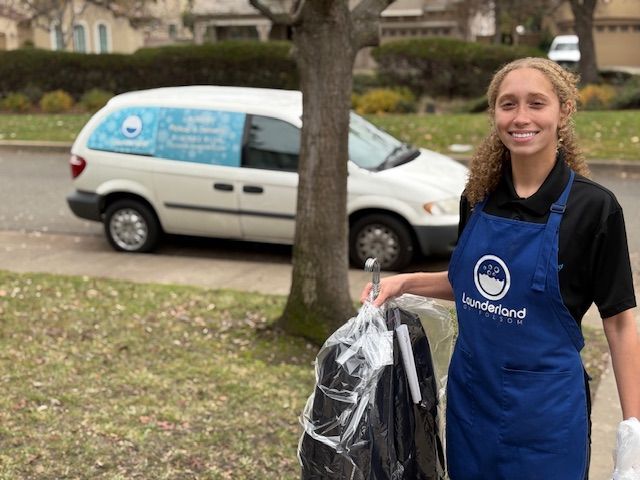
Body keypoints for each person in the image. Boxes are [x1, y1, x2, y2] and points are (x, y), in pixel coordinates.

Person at [360, 57, 640, 479]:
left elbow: (619, 322)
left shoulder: (594, 209)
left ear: (564, 111)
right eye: (508, 104)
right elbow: (474, 285)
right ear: (494, 113)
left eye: (536, 103)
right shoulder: (477, 197)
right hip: (472, 405)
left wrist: (632, 429)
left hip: (547, 418)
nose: (521, 117)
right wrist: (404, 283)